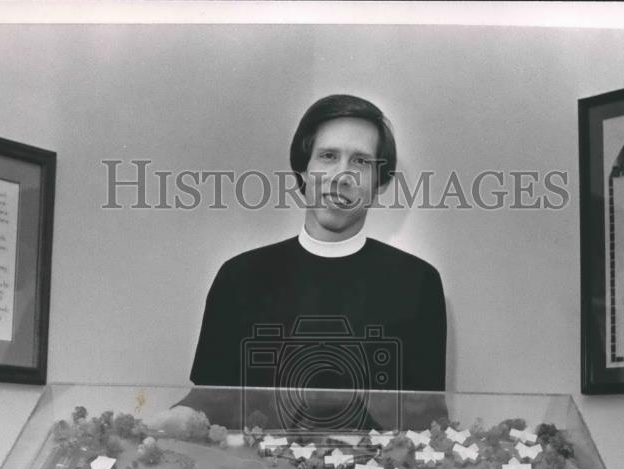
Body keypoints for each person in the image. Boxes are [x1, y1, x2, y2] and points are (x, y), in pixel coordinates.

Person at [185, 94, 448, 430]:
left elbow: (428, 421)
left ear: (379, 182)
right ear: (304, 169)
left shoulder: (418, 282)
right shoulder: (239, 276)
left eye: (361, 162)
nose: (342, 175)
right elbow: (208, 404)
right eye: (328, 156)